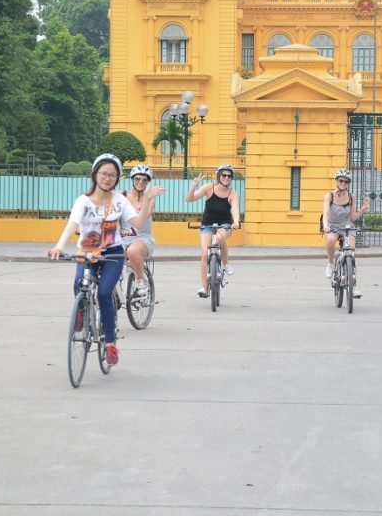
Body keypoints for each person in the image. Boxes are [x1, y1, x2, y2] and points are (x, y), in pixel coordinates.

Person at [47, 154, 165, 366]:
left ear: (118, 178)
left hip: (113, 254)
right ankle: (81, 313)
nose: (107, 178)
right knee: (79, 284)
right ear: (95, 174)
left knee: (103, 293)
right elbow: (73, 224)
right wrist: (59, 245)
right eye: (103, 173)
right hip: (87, 252)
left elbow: (137, 223)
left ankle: (110, 344)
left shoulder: (120, 201)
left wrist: (146, 200)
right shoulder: (82, 201)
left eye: (112, 175)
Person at [185, 164, 241, 298]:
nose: (227, 178)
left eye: (229, 176)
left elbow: (235, 209)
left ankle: (226, 264)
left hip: (225, 225)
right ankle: (204, 287)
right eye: (224, 175)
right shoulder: (209, 188)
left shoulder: (232, 193)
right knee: (205, 255)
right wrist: (193, 186)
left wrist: (236, 222)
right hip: (207, 225)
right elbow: (189, 199)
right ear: (219, 176)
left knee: (218, 239)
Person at [322, 169, 370, 287]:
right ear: (337, 181)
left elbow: (353, 217)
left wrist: (362, 210)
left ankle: (353, 286)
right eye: (341, 180)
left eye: (346, 182)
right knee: (330, 240)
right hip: (332, 225)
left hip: (346, 226)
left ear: (349, 183)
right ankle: (330, 264)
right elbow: (326, 212)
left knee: (350, 254)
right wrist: (325, 225)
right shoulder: (329, 196)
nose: (343, 183)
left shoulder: (351, 197)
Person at [121, 164, 157, 297]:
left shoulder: (149, 200)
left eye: (144, 180)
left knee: (132, 251)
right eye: (137, 179)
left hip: (142, 238)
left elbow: (143, 218)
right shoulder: (122, 196)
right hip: (122, 238)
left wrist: (132, 229)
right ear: (132, 179)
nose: (140, 182)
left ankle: (141, 280)